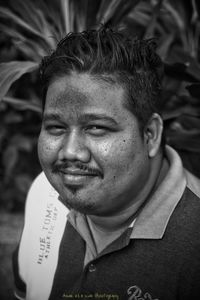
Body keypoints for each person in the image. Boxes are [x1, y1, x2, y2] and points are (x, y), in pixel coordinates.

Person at [13, 26, 200, 300]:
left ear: (150, 135)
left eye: (96, 128)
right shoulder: (44, 193)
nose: (70, 152)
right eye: (56, 127)